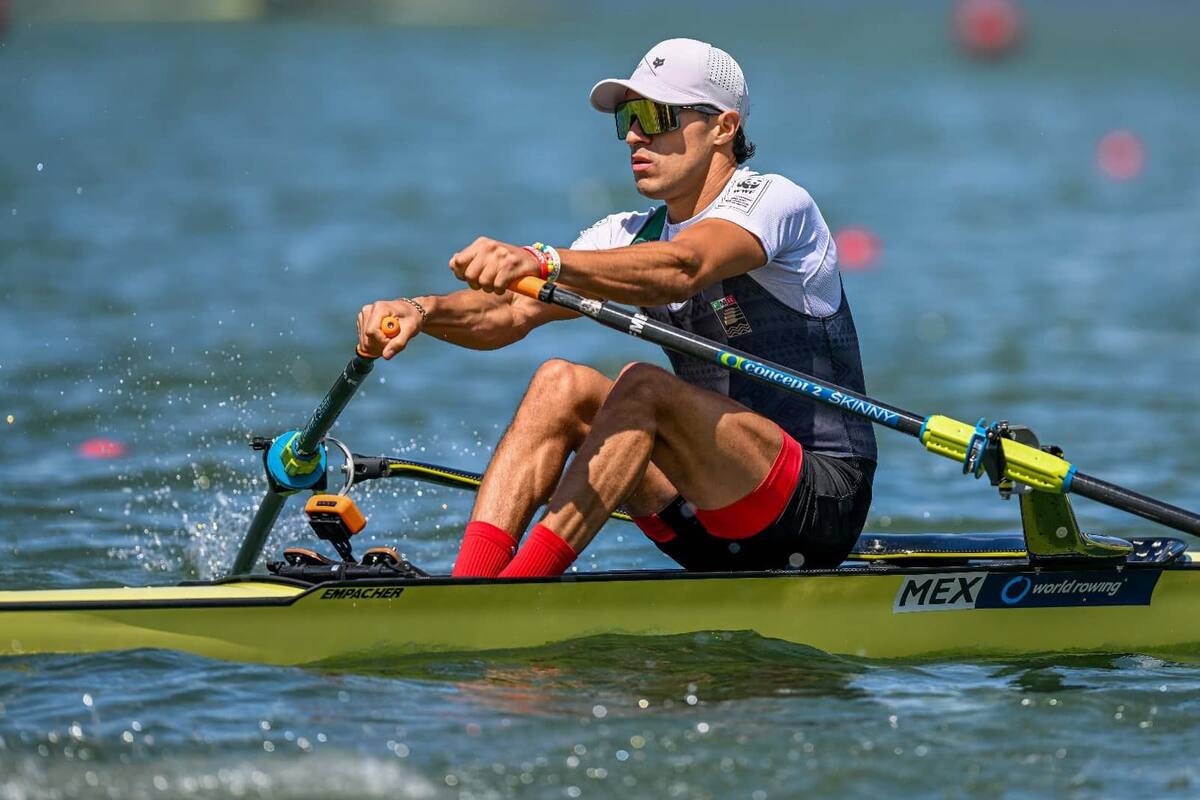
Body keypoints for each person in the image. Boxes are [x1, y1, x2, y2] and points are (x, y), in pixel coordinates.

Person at [358, 38, 876, 577]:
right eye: (627, 117)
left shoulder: (775, 203)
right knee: (560, 383)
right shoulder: (628, 234)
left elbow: (684, 267)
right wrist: (421, 309)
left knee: (641, 385)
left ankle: (518, 590)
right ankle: (474, 584)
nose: (633, 135)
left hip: (815, 506)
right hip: (703, 515)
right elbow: (506, 314)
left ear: (723, 128)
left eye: (656, 116)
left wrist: (543, 260)